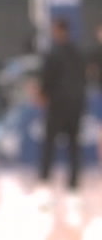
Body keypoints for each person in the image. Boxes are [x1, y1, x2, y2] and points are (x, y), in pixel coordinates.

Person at [35, 17, 88, 210]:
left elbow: (46, 80)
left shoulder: (52, 53)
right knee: (74, 147)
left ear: (57, 30)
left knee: (49, 145)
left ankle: (44, 188)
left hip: (58, 106)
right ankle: (73, 190)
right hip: (76, 106)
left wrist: (41, 94)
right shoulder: (79, 53)